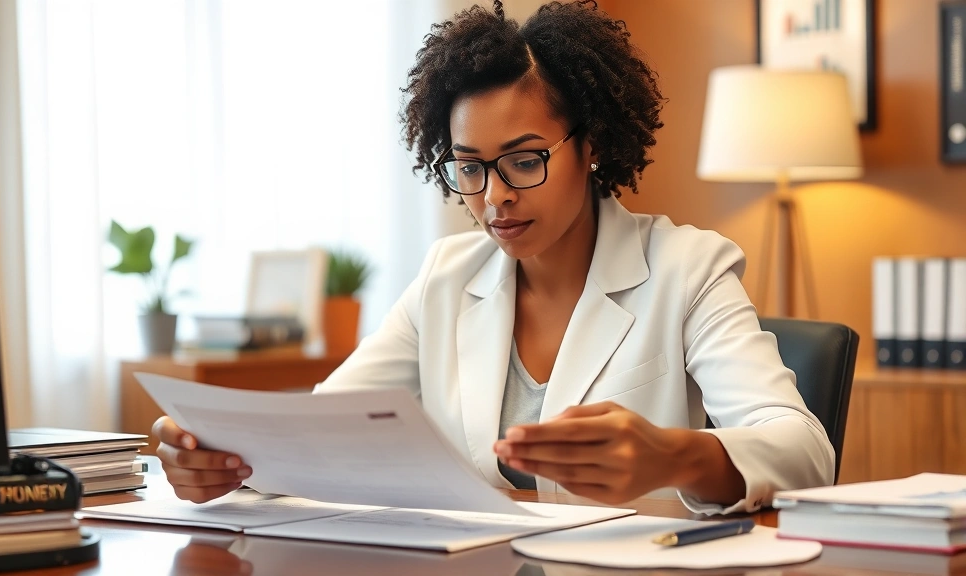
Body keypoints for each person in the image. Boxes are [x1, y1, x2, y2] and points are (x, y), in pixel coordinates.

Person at [152, 0, 834, 514]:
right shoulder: (448, 277)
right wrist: (218, 457)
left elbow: (805, 452)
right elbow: (327, 430)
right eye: (470, 167)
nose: (494, 196)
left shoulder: (689, 268)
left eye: (525, 160)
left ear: (591, 144)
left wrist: (674, 456)